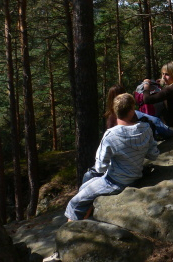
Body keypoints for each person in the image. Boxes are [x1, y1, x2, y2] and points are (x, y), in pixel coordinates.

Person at [65, 93, 159, 221]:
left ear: (115, 111)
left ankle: (72, 234)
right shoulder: (146, 128)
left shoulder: (111, 135)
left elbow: (100, 167)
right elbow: (153, 155)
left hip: (115, 181)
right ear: (132, 110)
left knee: (74, 203)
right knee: (83, 188)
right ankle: (86, 219)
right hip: (136, 175)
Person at [105, 84, 173, 139]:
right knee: (154, 120)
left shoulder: (111, 117)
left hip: (128, 143)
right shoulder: (129, 113)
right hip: (133, 142)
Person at [143, 61, 173, 132]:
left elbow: (147, 99)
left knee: (139, 114)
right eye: (163, 74)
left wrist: (146, 86)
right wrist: (165, 83)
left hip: (170, 129)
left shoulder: (170, 90)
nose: (163, 77)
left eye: (167, 74)